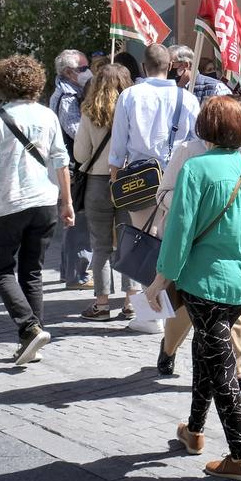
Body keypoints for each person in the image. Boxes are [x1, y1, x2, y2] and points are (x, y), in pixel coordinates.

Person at [143, 98, 241, 481]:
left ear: (206, 127)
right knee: (207, 351)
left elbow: (179, 233)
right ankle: (194, 431)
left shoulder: (196, 168)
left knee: (220, 366)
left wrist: (159, 281)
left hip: (203, 283)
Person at [154, 98, 241, 393]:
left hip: (234, 251)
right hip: (194, 245)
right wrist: (187, 205)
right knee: (183, 313)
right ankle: (168, 350)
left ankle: (236, 372)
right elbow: (163, 192)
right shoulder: (189, 153)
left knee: (236, 317)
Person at [0, 56, 75, 365]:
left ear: (4, 83)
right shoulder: (47, 115)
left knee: (1, 269)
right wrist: (67, 202)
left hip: (8, 202)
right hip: (44, 201)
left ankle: (29, 327)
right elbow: (61, 160)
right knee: (32, 272)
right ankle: (32, 340)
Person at [109, 42, 201, 267]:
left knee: (145, 243)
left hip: (141, 179)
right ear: (170, 65)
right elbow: (198, 142)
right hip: (178, 177)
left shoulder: (129, 96)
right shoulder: (187, 98)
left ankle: (151, 297)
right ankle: (172, 296)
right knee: (177, 242)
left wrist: (115, 182)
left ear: (143, 65)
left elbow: (118, 146)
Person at [74, 63, 138, 320]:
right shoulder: (134, 112)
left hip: (98, 183)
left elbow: (80, 154)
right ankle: (131, 301)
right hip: (129, 181)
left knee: (100, 245)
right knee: (129, 243)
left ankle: (101, 305)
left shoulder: (89, 113)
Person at [51, 49, 92, 290]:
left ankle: (69, 272)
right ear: (68, 72)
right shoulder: (67, 97)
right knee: (79, 220)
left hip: (72, 166)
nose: (88, 72)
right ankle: (77, 275)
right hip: (74, 167)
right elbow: (75, 131)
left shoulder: (73, 92)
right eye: (83, 68)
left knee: (74, 221)